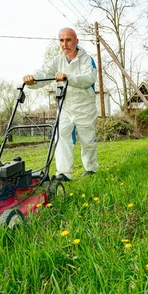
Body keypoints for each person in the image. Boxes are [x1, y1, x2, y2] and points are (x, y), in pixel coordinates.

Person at [23, 27, 98, 182]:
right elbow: (43, 74)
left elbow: (88, 79)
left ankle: (91, 169)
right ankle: (64, 173)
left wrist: (67, 77)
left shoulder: (86, 59)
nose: (65, 44)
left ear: (76, 41)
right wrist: (31, 80)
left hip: (84, 106)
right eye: (61, 40)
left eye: (68, 40)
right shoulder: (57, 60)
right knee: (61, 138)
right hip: (64, 107)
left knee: (87, 140)